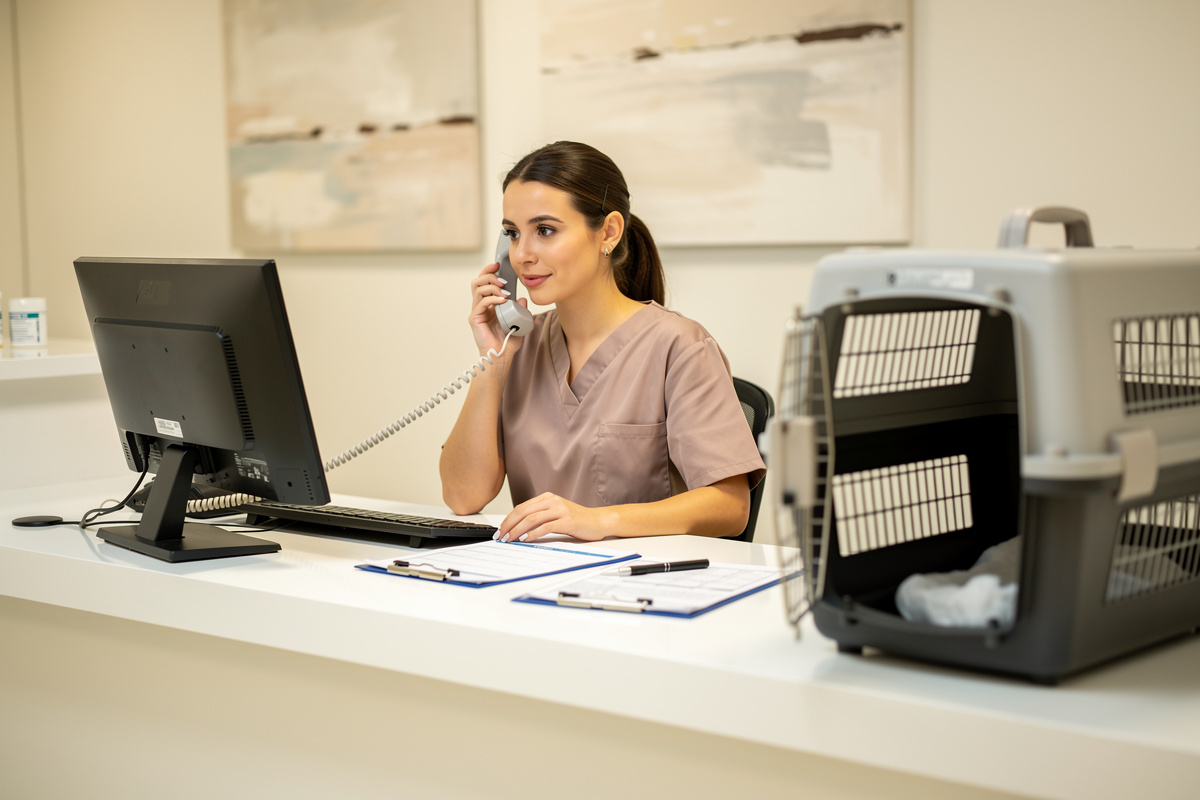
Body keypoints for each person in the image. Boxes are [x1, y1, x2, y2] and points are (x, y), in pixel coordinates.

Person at [439, 141, 765, 543]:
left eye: (544, 230)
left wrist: (597, 521)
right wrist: (492, 362)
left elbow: (730, 506)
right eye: (511, 233)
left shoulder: (680, 346)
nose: (521, 254)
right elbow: (462, 497)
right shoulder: (519, 348)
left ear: (608, 232)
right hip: (531, 585)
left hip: (638, 586)